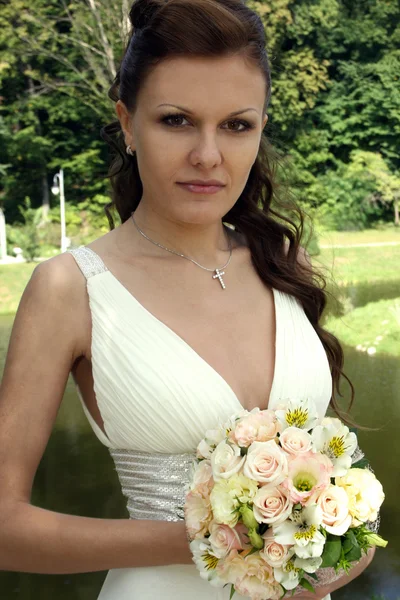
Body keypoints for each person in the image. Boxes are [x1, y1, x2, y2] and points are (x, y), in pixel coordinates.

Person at [0, 0, 376, 598]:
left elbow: (339, 487)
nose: (208, 155)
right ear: (127, 123)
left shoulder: (284, 265)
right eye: (176, 120)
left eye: (237, 125)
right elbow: (6, 527)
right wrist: (205, 538)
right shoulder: (71, 288)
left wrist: (341, 545)